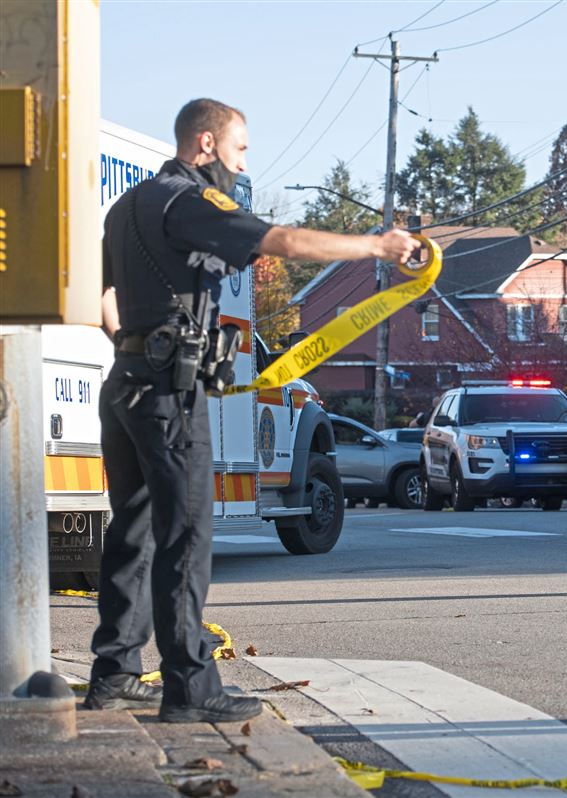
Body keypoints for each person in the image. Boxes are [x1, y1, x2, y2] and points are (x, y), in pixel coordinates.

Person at [88, 98, 416, 723]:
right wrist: (377, 246)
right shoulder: (190, 202)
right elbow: (284, 240)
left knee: (130, 533)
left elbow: (101, 295)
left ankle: (114, 675)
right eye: (239, 151)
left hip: (124, 384)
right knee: (186, 536)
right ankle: (191, 689)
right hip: (168, 394)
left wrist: (136, 349)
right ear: (206, 145)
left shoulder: (125, 208)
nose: (243, 165)